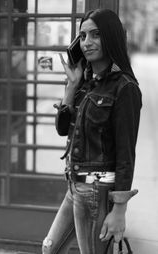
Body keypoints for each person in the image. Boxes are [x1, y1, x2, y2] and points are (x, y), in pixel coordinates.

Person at [42, 8, 142, 254]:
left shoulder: (125, 88)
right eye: (83, 36)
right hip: (74, 188)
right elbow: (62, 129)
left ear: (110, 37)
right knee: (49, 249)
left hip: (96, 191)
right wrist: (72, 85)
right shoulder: (85, 83)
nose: (87, 43)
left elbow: (126, 154)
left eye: (95, 35)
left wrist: (119, 210)